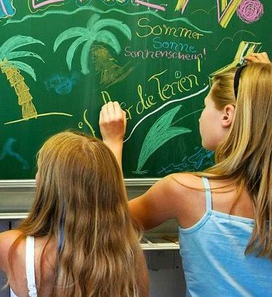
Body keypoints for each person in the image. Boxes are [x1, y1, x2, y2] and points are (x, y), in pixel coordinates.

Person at [99, 56, 272, 296]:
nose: (201, 116)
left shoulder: (187, 192)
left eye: (205, 106)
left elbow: (111, 221)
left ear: (227, 115)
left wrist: (112, 143)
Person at [0, 132, 149, 297]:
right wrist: (113, 143)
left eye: (40, 171)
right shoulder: (128, 256)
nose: (36, 177)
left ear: (47, 188)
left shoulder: (19, 251)